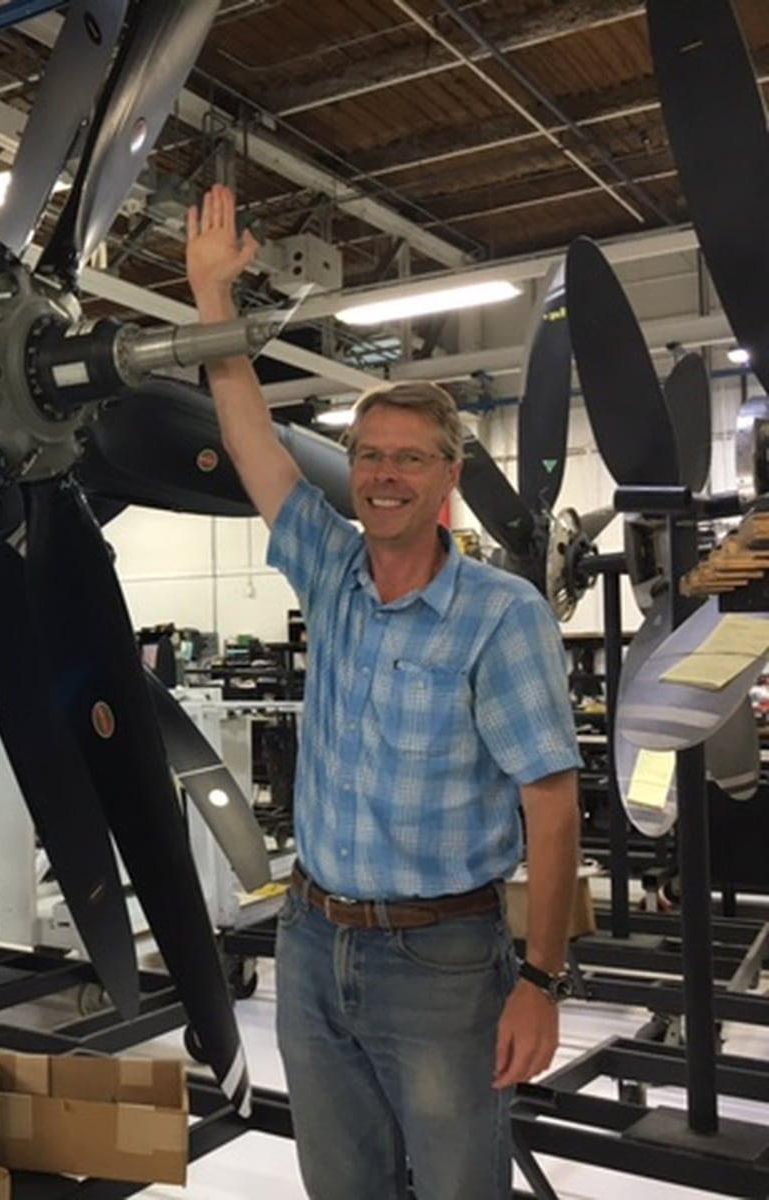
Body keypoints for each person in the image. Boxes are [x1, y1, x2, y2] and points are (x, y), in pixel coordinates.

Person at [185, 184, 582, 1200]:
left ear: (445, 475)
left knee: (456, 1184)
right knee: (342, 1181)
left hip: (444, 957)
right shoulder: (329, 572)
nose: (384, 476)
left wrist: (539, 981)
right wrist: (209, 304)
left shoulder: (498, 615)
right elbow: (251, 443)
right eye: (368, 457)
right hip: (314, 942)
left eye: (409, 459)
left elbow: (550, 803)